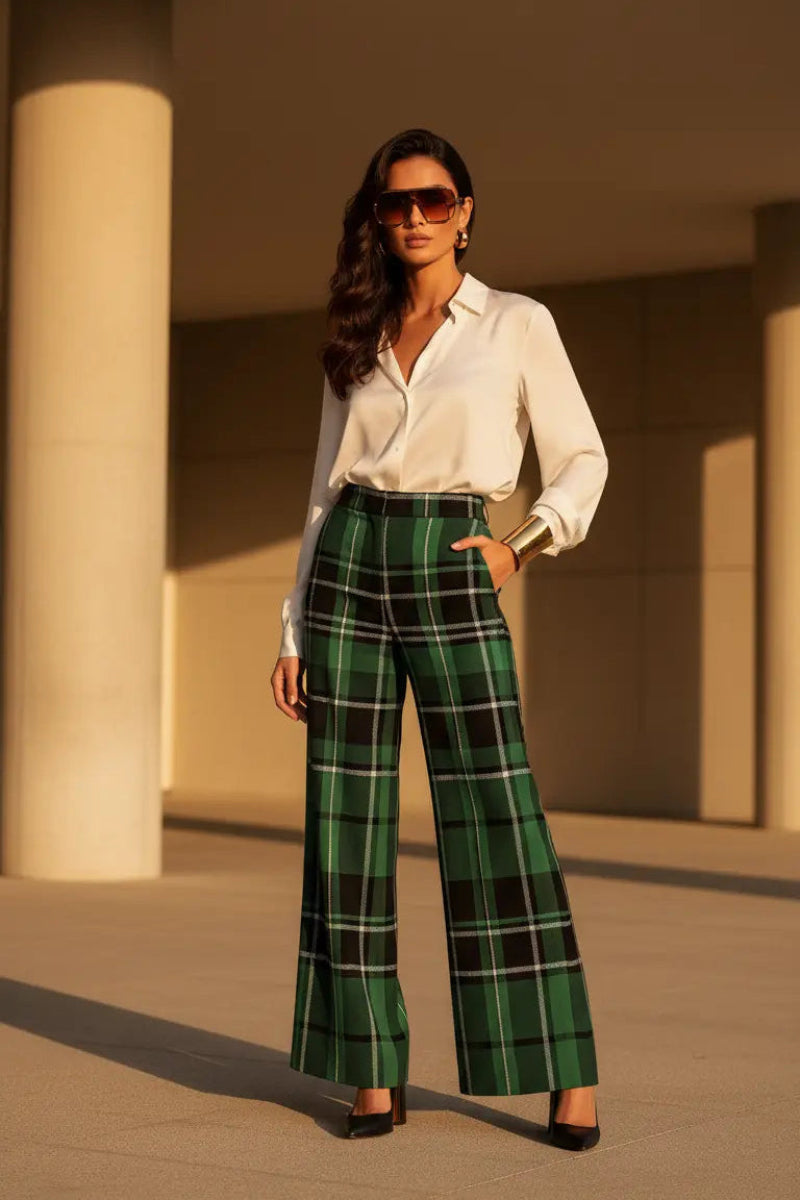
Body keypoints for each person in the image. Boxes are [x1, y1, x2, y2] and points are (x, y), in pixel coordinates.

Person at [271, 127, 608, 1150]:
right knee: (345, 823)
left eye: (433, 200)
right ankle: (370, 1067)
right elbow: (324, 489)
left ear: (464, 212)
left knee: (496, 811)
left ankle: (563, 1067)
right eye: (395, 203)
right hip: (351, 564)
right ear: (377, 219)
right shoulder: (358, 334)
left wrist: (520, 547)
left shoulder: (515, 323)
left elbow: (582, 459)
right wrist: (293, 624)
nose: (414, 216)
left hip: (454, 554)